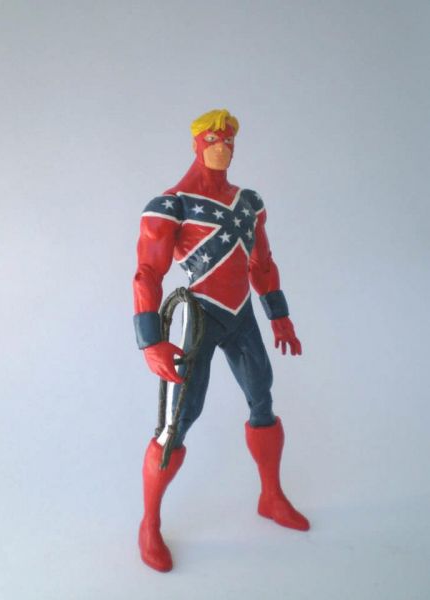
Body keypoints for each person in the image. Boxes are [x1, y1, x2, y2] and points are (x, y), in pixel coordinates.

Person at [133, 109, 309, 572]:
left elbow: (262, 264)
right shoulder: (173, 205)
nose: (222, 147)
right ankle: (149, 523)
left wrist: (279, 316)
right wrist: (150, 339)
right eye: (213, 139)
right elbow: (148, 271)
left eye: (229, 140)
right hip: (200, 317)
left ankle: (271, 496)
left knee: (262, 400)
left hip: (242, 317)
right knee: (177, 422)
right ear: (197, 144)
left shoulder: (248, 203)